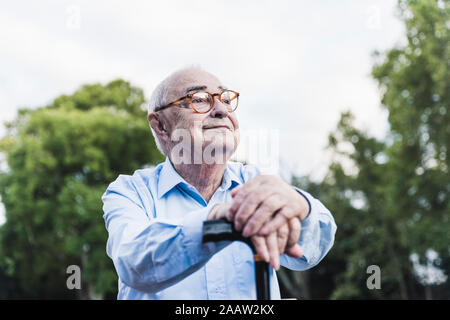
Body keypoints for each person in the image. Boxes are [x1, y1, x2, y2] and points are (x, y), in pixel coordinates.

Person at [101, 67, 337, 299]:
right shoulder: (129, 192)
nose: (222, 110)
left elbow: (311, 249)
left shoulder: (256, 181)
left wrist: (300, 206)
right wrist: (217, 221)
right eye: (200, 99)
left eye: (225, 99)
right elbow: (134, 262)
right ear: (160, 125)